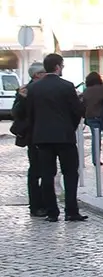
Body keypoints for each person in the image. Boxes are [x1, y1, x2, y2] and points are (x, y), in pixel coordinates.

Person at [25, 53, 87, 223]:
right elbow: (77, 111)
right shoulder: (67, 86)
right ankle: (71, 211)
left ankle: (52, 212)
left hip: (42, 138)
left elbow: (29, 115)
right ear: (58, 67)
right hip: (65, 137)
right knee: (70, 174)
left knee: (47, 175)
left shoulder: (34, 88)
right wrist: (70, 127)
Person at [11, 62, 47, 218]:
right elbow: (17, 112)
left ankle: (45, 203)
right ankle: (36, 205)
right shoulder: (27, 89)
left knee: (46, 171)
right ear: (37, 75)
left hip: (45, 134)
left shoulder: (44, 88)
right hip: (33, 136)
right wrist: (23, 98)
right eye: (45, 72)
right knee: (35, 171)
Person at [80, 72, 103, 166]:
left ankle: (96, 160)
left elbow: (82, 105)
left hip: (91, 117)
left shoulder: (86, 91)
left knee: (95, 138)